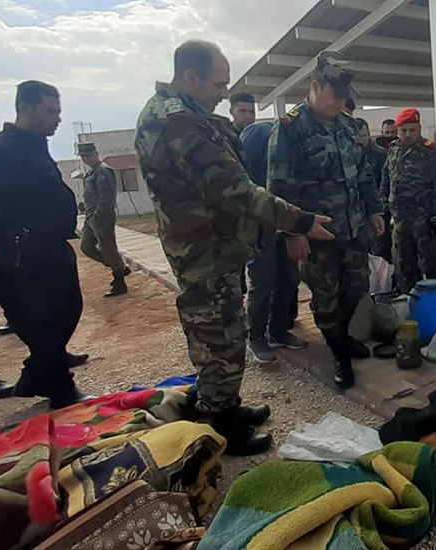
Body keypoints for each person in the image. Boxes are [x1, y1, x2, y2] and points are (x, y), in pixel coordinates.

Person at [135, 40, 334, 454]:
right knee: (218, 339)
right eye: (219, 84)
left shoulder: (185, 114)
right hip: (203, 252)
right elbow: (237, 191)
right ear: (191, 78)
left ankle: (224, 404)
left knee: (224, 332)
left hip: (213, 248)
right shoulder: (179, 123)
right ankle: (218, 424)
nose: (225, 93)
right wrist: (298, 221)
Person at [268, 51, 386, 390]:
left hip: (353, 229)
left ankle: (342, 337)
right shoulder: (291, 129)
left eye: (344, 96)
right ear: (315, 86)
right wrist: (293, 232)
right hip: (316, 234)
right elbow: (277, 187)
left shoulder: (348, 128)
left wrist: (375, 210)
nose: (341, 102)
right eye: (335, 95)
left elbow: (364, 175)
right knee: (325, 297)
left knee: (356, 290)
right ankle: (339, 354)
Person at [0, 81, 90, 408]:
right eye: (51, 112)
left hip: (50, 246)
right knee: (39, 319)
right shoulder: (2, 149)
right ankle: (60, 389)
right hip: (22, 252)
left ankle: (37, 371)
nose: (57, 119)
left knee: (69, 309)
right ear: (27, 107)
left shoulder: (35, 144)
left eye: (59, 112)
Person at [238, 121, 307, 363]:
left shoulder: (293, 144)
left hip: (285, 224)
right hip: (260, 225)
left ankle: (278, 330)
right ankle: (256, 336)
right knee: (262, 282)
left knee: (289, 278)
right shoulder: (258, 136)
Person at [380, 108, 436, 292]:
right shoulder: (393, 150)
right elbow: (386, 179)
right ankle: (411, 300)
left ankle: (435, 300)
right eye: (404, 130)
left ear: (419, 129)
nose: (408, 134)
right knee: (404, 264)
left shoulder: (431, 152)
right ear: (398, 130)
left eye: (413, 130)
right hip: (400, 218)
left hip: (423, 218)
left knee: (430, 264)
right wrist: (384, 208)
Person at [77, 142, 130, 297]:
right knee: (86, 247)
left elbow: (107, 198)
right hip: (90, 217)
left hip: (101, 217)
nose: (86, 159)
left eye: (88, 155)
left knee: (108, 248)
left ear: (96, 153)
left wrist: (99, 215)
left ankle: (120, 282)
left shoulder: (103, 171)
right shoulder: (91, 172)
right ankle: (119, 267)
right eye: (83, 156)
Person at [356, 118, 392, 262]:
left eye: (364, 136)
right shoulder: (348, 155)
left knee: (380, 253)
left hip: (377, 211)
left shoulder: (381, 154)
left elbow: (386, 182)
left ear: (369, 134)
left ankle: (385, 283)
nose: (361, 140)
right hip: (356, 214)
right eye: (357, 136)